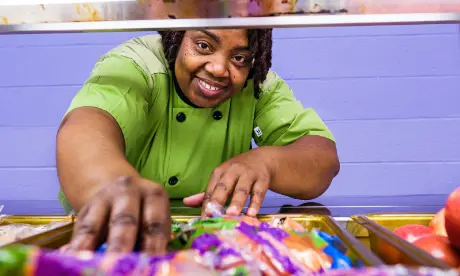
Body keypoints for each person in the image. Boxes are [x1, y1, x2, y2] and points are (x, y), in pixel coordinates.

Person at [56, 29, 340, 254]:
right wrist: (111, 185)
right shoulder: (136, 64)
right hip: (116, 235)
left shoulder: (257, 84)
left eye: (239, 58)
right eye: (203, 45)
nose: (219, 68)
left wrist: (267, 161)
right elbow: (84, 127)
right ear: (177, 36)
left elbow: (322, 160)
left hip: (209, 244)